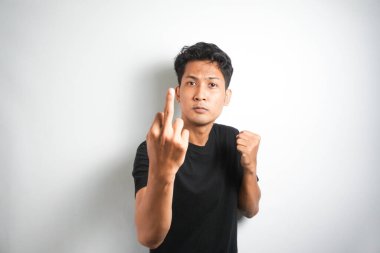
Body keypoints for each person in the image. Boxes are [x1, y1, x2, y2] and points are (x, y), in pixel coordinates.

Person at [132, 42, 261, 253]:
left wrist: (250, 168)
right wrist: (164, 172)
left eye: (212, 85)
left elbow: (250, 209)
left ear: (226, 96)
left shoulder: (231, 139)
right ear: (178, 92)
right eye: (191, 83)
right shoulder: (153, 147)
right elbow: (148, 237)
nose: (200, 94)